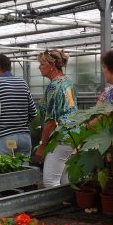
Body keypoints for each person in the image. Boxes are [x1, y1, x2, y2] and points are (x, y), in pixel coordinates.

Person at [34, 49, 78, 187]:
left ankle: (57, 205)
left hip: (60, 137)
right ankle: (69, 205)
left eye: (41, 64)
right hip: (73, 135)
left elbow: (51, 122)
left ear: (51, 65)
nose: (39, 67)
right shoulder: (67, 82)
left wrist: (42, 146)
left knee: (50, 180)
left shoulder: (54, 86)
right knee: (65, 179)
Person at [0, 53, 37, 157]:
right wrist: (20, 125)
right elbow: (33, 113)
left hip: (3, 139)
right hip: (24, 139)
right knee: (23, 171)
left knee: (4, 172)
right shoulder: (23, 83)